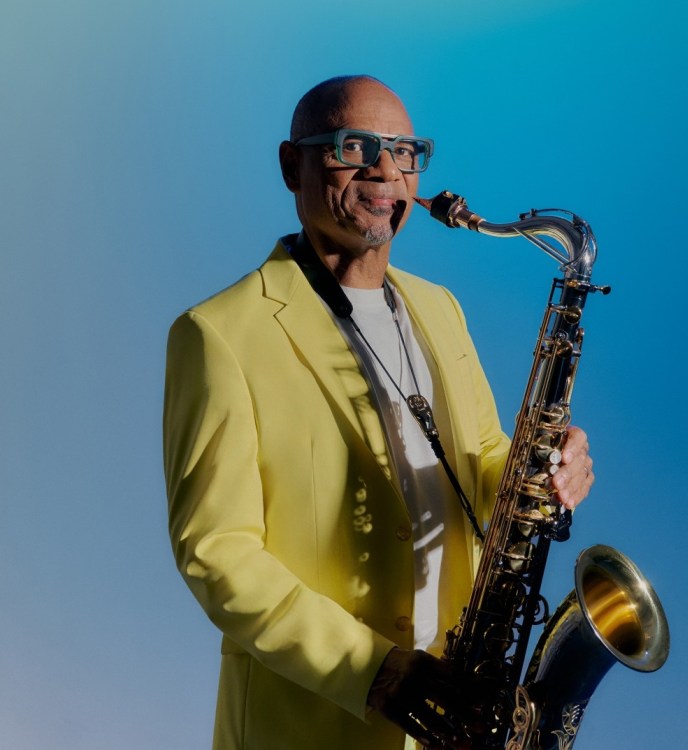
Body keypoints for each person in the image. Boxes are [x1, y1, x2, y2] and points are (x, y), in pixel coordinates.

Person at [163, 75, 594, 750]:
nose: (386, 171)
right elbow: (217, 553)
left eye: (405, 151)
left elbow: (483, 455)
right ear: (292, 166)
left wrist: (544, 469)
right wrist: (371, 671)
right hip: (313, 723)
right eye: (354, 146)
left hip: (453, 706)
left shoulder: (440, 308)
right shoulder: (218, 334)